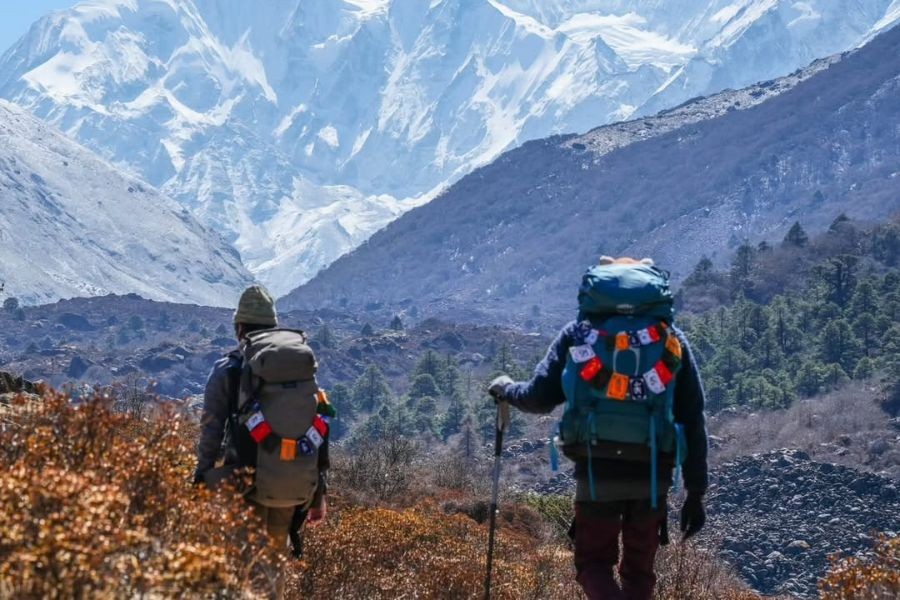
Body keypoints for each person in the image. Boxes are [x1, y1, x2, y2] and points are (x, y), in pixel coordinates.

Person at [489, 257, 708, 600]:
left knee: (592, 565)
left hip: (596, 469)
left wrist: (506, 389)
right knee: (639, 573)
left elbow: (539, 397)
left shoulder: (578, 337)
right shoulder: (670, 339)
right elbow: (692, 416)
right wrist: (696, 492)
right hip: (653, 475)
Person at [194, 285, 329, 559]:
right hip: (292, 485)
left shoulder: (228, 369)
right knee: (272, 564)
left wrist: (201, 479)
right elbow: (318, 427)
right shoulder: (297, 366)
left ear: (239, 327)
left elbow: (211, 431)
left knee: (239, 566)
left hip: (243, 484)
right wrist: (319, 494)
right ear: (273, 325)